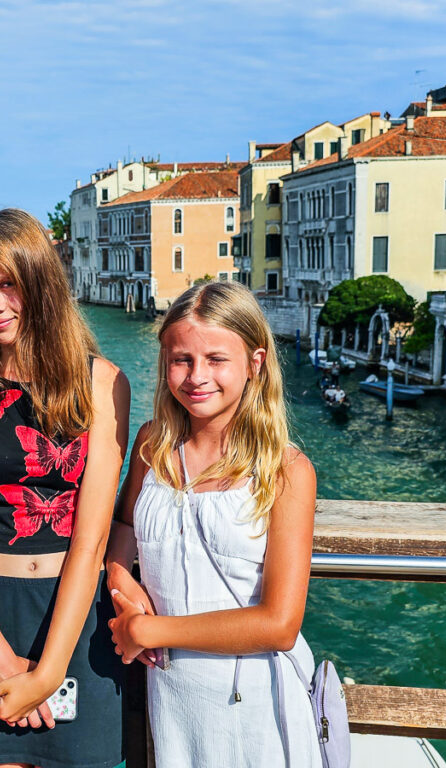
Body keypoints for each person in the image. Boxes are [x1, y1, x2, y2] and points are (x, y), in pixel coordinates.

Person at [0, 209, 130, 768]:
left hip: (75, 621)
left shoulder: (104, 383)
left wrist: (47, 673)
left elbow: (91, 543)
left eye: (7, 284)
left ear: (40, 281)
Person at [105, 281, 321, 767]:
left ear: (256, 362)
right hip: (174, 701)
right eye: (181, 359)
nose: (196, 377)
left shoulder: (285, 470)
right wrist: (118, 575)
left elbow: (279, 625)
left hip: (256, 712)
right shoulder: (152, 445)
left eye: (216, 359)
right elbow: (123, 526)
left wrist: (150, 630)